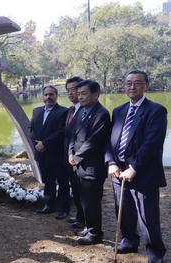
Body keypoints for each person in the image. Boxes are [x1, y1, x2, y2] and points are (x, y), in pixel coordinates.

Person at [105, 70, 167, 262]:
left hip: (143, 173)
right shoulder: (118, 111)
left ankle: (155, 254)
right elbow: (108, 141)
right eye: (129, 83)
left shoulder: (156, 111)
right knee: (123, 211)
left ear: (146, 85)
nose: (132, 86)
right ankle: (129, 241)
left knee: (148, 218)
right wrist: (111, 162)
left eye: (138, 83)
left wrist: (134, 167)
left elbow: (152, 144)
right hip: (118, 171)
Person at [68, 80, 110, 245]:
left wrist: (76, 156)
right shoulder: (81, 111)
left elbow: (94, 141)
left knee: (92, 201)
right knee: (83, 200)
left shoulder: (102, 114)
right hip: (78, 165)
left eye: (84, 93)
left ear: (96, 94)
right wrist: (70, 152)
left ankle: (95, 234)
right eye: (79, 94)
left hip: (92, 166)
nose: (80, 97)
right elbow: (73, 135)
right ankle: (88, 226)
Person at [30, 85, 69, 219]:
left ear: (56, 96)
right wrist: (37, 143)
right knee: (48, 181)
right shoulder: (36, 111)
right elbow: (31, 129)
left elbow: (61, 131)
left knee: (62, 181)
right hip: (42, 154)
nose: (48, 97)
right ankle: (48, 205)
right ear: (42, 97)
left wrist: (44, 143)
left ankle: (63, 209)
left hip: (56, 153)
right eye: (46, 95)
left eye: (51, 94)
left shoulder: (64, 111)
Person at [63, 77, 85, 229]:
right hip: (70, 158)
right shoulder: (71, 110)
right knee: (75, 190)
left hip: (82, 160)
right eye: (68, 90)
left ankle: (86, 221)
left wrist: (76, 155)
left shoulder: (86, 110)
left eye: (74, 89)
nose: (71, 93)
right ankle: (80, 217)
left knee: (83, 192)